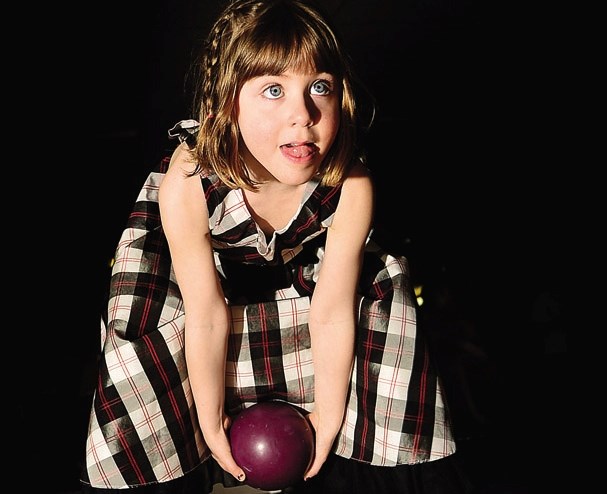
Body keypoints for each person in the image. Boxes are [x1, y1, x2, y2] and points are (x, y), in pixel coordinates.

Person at [81, 1, 474, 493]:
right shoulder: (187, 178)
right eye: (273, 90)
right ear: (228, 104)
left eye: (320, 88)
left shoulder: (353, 185)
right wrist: (209, 424)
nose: (303, 115)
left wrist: (329, 419)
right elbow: (205, 313)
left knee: (383, 291)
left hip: (303, 277)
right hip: (197, 290)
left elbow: (331, 311)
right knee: (146, 325)